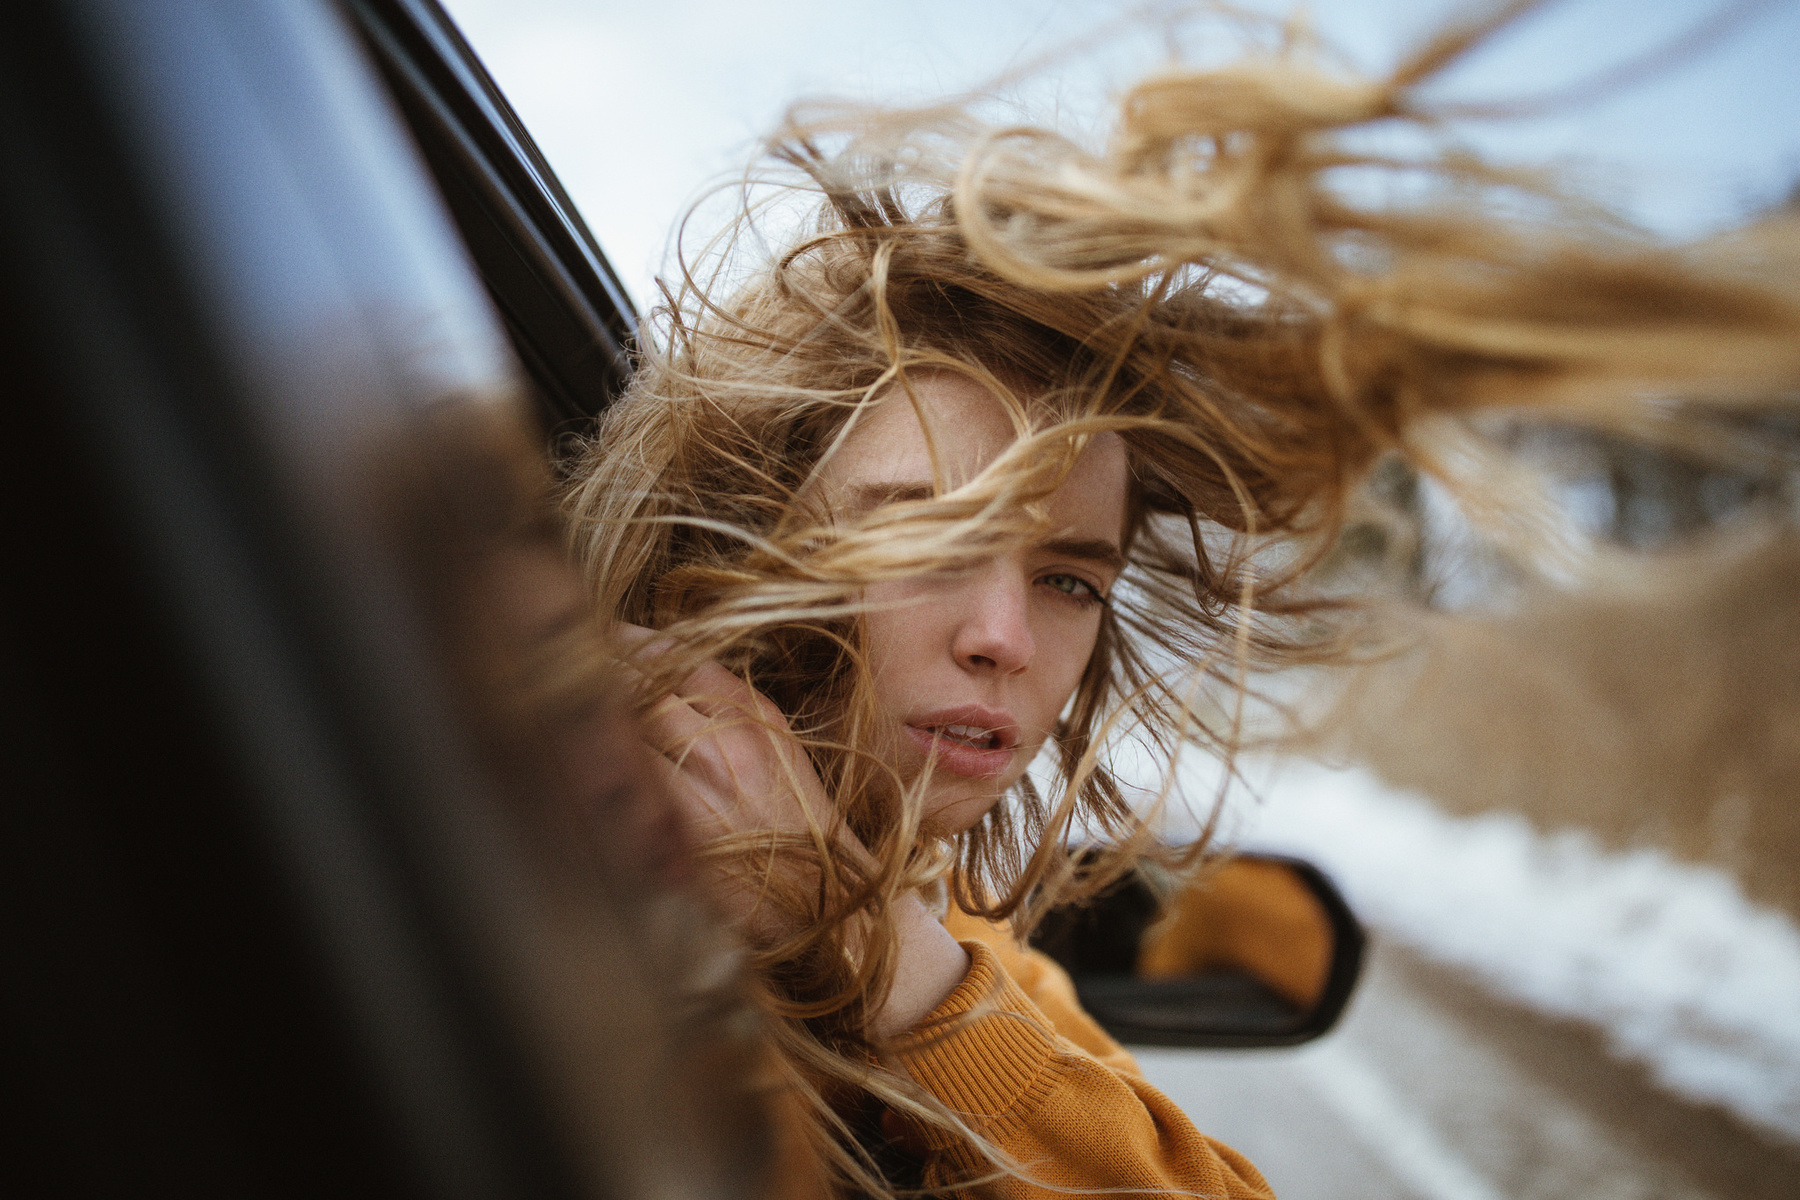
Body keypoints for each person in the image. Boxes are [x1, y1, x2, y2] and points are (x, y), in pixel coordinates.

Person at [559, 6, 1800, 1195]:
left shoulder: (968, 962)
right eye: (928, 541)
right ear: (748, 534)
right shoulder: (577, 897)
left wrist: (893, 967)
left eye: (1066, 580)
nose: (1005, 640)